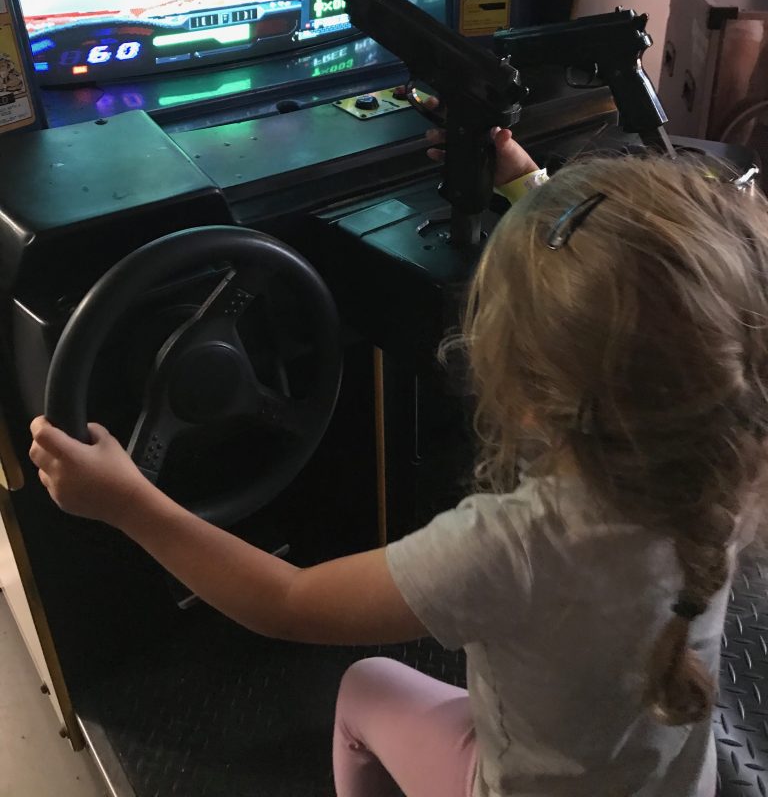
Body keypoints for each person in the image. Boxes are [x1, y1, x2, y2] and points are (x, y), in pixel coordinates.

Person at [28, 129, 768, 797]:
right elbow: (639, 310)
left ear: (528, 383)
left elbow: (287, 603)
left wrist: (127, 502)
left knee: (363, 687)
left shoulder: (512, 544)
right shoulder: (729, 465)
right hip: (672, 785)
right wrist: (528, 188)